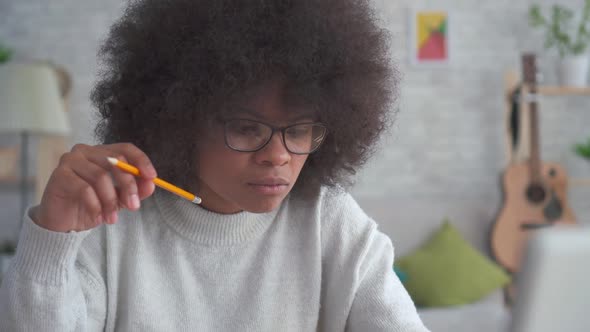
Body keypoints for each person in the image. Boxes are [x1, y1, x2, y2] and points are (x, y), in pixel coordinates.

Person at [0, 0, 429, 331]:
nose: (278, 155)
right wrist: (52, 237)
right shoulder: (111, 223)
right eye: (245, 128)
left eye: (298, 130)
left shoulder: (330, 223)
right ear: (179, 119)